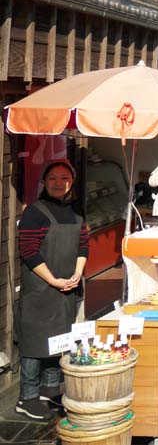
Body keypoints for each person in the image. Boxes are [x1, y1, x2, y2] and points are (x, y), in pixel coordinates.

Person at [16, 159, 89, 421]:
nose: (59, 183)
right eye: (53, 179)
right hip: (40, 288)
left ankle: (49, 390)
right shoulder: (35, 212)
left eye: (65, 178)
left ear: (72, 182)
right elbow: (28, 252)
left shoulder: (75, 210)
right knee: (35, 343)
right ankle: (27, 397)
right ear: (44, 183)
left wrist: (77, 273)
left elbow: (83, 245)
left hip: (67, 286)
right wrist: (54, 280)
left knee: (58, 340)